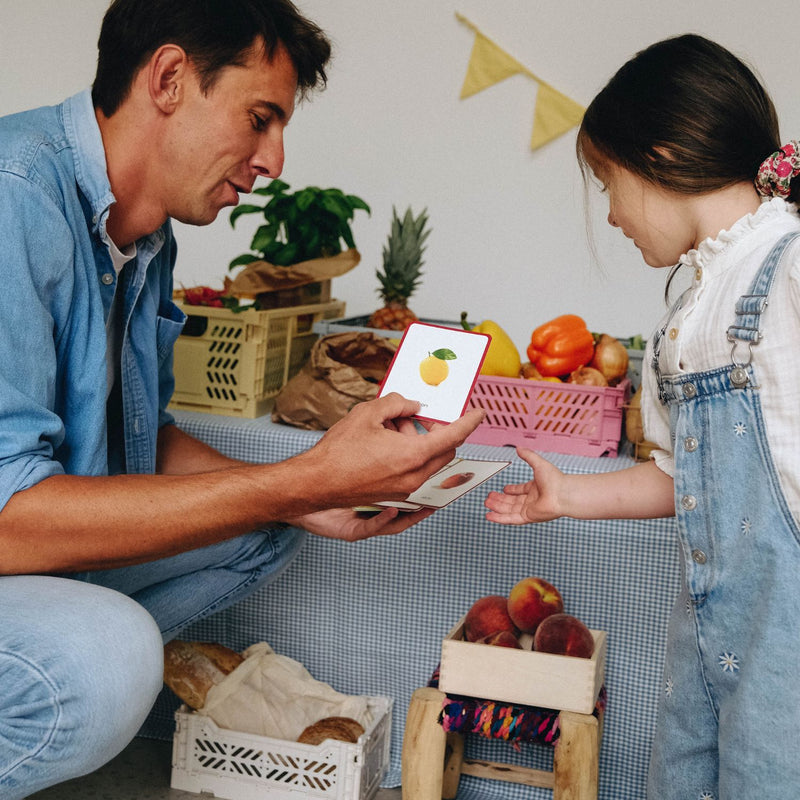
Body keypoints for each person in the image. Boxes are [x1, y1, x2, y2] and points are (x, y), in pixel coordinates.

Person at [0, 1, 484, 797]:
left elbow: (141, 437)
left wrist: (311, 493)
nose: (274, 160)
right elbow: (11, 515)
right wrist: (300, 480)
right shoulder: (17, 195)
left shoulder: (148, 239)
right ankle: (71, 669)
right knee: (112, 654)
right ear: (168, 78)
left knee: (266, 527)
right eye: (260, 119)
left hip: (37, 544)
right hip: (17, 533)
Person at [485, 33, 800, 799]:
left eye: (607, 182)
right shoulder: (689, 310)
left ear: (659, 156)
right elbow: (683, 476)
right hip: (708, 636)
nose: (613, 213)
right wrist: (569, 496)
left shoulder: (787, 267)